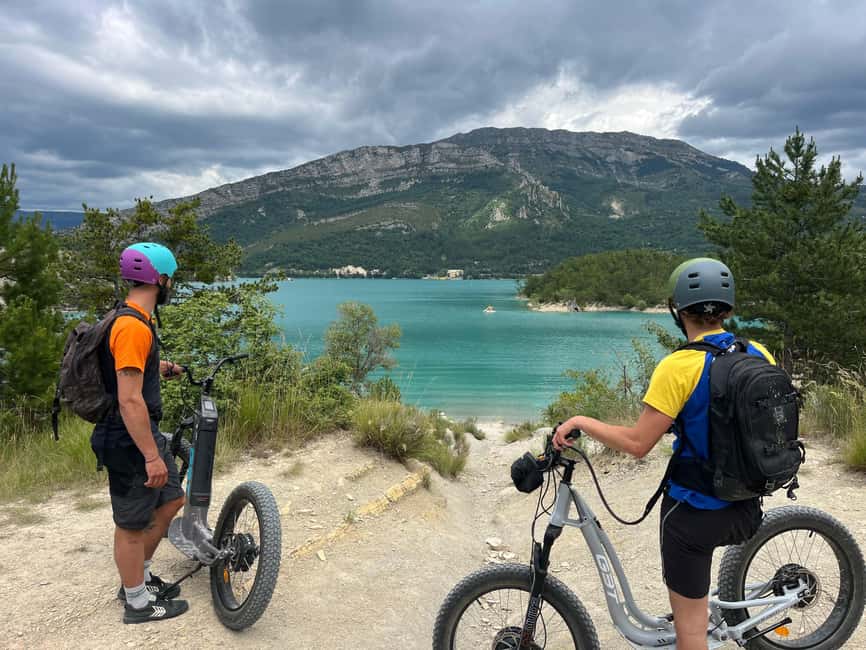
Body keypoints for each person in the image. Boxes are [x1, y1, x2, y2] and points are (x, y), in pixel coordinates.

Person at [553, 258, 768, 650]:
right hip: (748, 507)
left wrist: (582, 420)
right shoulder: (758, 354)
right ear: (729, 309)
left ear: (677, 311)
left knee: (690, 637)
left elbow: (638, 444)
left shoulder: (678, 367)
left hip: (694, 520)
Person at [91, 242, 189, 624]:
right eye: (171, 279)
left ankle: (141, 578)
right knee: (131, 524)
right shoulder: (132, 327)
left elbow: (126, 367)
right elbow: (130, 401)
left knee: (170, 500)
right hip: (128, 438)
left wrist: (159, 366)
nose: (171, 286)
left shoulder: (134, 318)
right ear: (159, 279)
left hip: (141, 433)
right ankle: (136, 603)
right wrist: (151, 455)